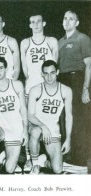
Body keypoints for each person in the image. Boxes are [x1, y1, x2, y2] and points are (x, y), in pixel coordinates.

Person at [20, 13, 58, 172]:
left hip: (48, 89)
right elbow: (25, 70)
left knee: (50, 120)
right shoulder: (25, 43)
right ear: (29, 25)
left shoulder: (51, 41)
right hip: (31, 88)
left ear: (44, 23)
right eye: (32, 22)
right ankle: (30, 159)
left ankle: (48, 156)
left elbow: (54, 65)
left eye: (38, 21)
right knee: (29, 124)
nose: (35, 24)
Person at [58, 10, 91, 170]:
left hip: (77, 80)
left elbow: (89, 65)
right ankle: (68, 157)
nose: (67, 21)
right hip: (62, 80)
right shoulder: (60, 41)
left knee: (79, 120)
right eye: (65, 18)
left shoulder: (82, 38)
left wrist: (85, 88)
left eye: (71, 19)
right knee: (64, 118)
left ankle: (81, 161)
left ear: (77, 23)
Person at [0, 57, 28, 174]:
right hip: (1, 128)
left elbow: (23, 109)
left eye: (1, 68)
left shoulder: (17, 85)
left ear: (6, 69)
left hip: (16, 129)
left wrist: (25, 130)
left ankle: (3, 156)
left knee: (9, 169)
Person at [28, 60, 72, 174]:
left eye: (52, 73)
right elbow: (30, 116)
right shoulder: (35, 90)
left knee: (57, 169)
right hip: (36, 125)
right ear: (42, 74)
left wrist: (68, 139)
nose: (49, 76)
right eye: (46, 73)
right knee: (36, 131)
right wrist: (43, 126)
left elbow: (69, 117)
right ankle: (35, 164)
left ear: (57, 72)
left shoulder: (66, 90)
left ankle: (44, 162)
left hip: (52, 128)